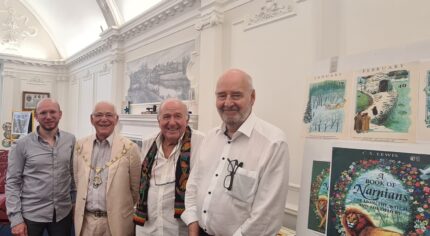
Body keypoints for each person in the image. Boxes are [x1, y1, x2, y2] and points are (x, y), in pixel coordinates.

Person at [182, 69, 290, 236]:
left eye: (236, 95)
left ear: (252, 97)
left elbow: (266, 218)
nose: (227, 102)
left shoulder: (273, 143)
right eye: (221, 95)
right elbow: (193, 186)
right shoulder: (209, 138)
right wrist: (192, 225)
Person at [134, 98, 205, 236]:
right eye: (166, 117)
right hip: (148, 229)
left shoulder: (201, 142)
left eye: (178, 116)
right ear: (158, 120)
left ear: (187, 119)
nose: (172, 122)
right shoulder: (149, 142)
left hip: (181, 230)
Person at [6, 98, 76, 236]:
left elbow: (73, 175)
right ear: (36, 116)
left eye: (52, 112)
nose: (48, 116)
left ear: (60, 114)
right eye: (43, 113)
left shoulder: (70, 140)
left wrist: (74, 204)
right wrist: (16, 219)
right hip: (31, 215)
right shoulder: (21, 144)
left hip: (62, 214)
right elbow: (12, 182)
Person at [73, 101, 141, 236]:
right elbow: (77, 180)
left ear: (116, 119)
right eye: (98, 115)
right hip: (86, 223)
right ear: (91, 120)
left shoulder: (130, 148)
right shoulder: (80, 146)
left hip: (116, 224)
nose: (104, 119)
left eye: (109, 115)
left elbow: (136, 189)